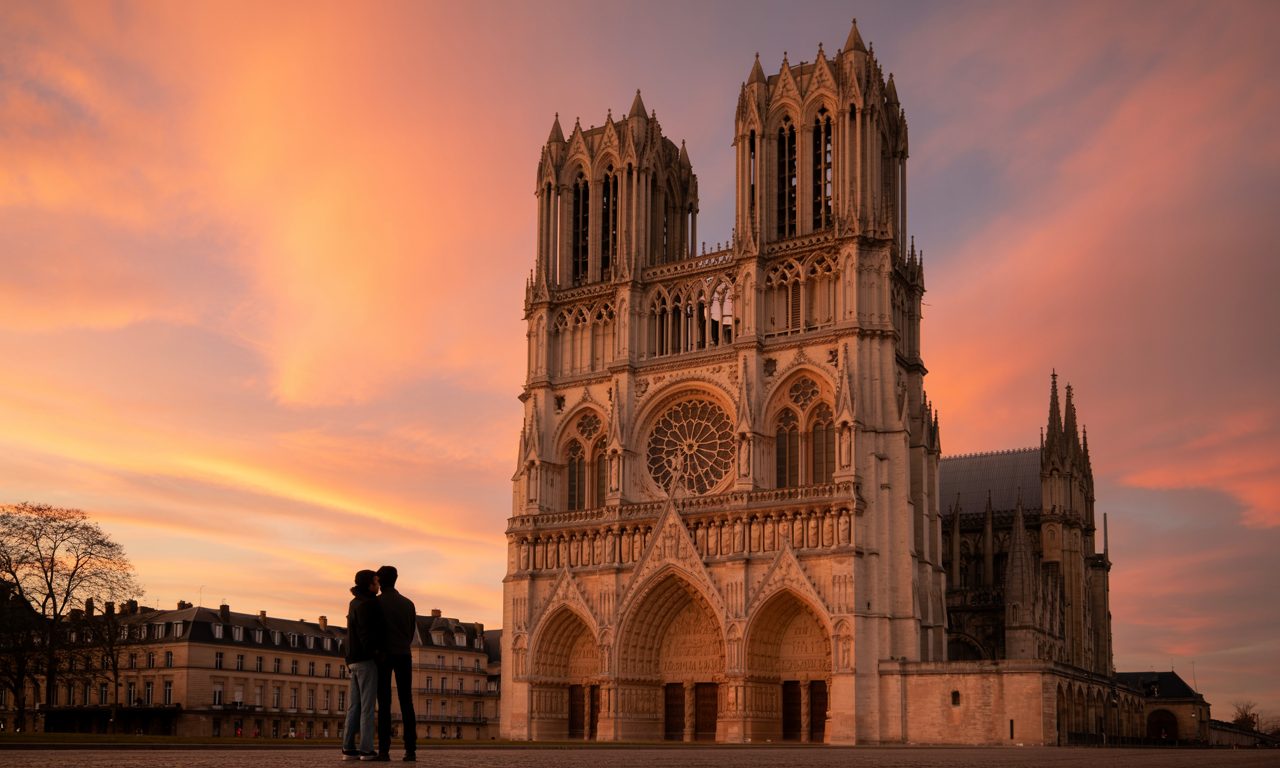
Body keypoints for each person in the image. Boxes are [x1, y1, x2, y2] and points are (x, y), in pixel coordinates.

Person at [376, 565, 418, 761]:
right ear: (396, 579)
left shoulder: (376, 604)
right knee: (406, 702)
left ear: (379, 581)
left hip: (383, 655)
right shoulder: (408, 604)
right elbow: (410, 632)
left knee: (384, 703)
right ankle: (410, 750)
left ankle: (384, 750)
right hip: (403, 653)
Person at [342, 569, 384, 761]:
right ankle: (366, 749)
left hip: (353, 660)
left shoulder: (354, 603)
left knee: (354, 706)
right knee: (367, 707)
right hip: (367, 660)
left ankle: (348, 748)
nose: (378, 584)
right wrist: (377, 654)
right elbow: (369, 635)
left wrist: (348, 658)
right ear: (369, 584)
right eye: (376, 581)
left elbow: (350, 633)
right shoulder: (370, 604)